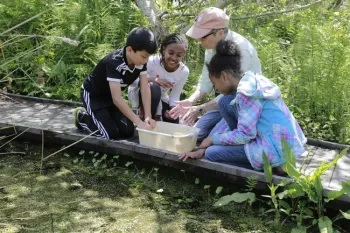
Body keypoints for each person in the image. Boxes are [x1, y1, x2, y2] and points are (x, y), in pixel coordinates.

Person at [179, 40, 306, 170]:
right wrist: (205, 145)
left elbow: (245, 135)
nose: (215, 88)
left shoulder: (247, 93)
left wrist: (212, 141)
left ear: (224, 76)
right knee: (224, 102)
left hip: (276, 149)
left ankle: (275, 166)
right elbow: (232, 126)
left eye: (214, 83)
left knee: (212, 154)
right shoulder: (248, 81)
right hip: (274, 142)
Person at [169, 7, 262, 141]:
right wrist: (191, 101)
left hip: (242, 106)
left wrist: (200, 109)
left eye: (203, 36)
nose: (200, 41)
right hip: (219, 102)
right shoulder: (211, 47)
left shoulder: (242, 50)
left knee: (208, 138)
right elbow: (205, 81)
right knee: (194, 133)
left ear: (219, 32)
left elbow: (235, 93)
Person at [73, 27, 158, 140]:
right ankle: (82, 118)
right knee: (108, 135)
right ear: (129, 50)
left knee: (128, 132)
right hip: (94, 96)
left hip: (110, 99)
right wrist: (139, 122)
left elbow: (144, 87)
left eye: (148, 57)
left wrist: (148, 116)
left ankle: (104, 118)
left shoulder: (140, 62)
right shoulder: (114, 62)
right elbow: (117, 98)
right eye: (144, 56)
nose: (146, 61)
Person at [128, 33, 189, 123]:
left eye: (178, 55)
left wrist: (173, 110)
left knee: (174, 119)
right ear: (164, 48)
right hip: (141, 94)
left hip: (161, 99)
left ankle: (158, 117)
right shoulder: (151, 62)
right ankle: (144, 116)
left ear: (183, 55)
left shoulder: (183, 71)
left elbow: (175, 95)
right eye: (171, 53)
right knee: (154, 87)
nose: (173, 58)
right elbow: (132, 82)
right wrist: (153, 79)